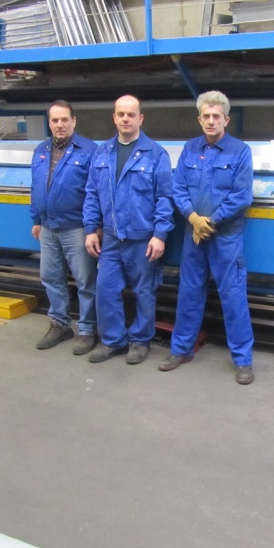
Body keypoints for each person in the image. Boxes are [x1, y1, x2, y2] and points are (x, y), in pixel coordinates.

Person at [158, 91, 255, 384]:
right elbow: (178, 188)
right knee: (189, 292)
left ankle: (243, 360)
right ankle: (181, 350)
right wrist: (192, 218)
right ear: (199, 119)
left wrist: (210, 222)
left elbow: (242, 195)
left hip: (225, 237)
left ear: (226, 119)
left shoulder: (240, 151)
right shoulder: (190, 148)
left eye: (216, 116)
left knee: (233, 296)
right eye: (206, 116)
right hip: (194, 235)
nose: (211, 121)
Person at [83, 95, 174, 365]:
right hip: (111, 237)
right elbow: (92, 193)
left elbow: (164, 198)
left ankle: (140, 341)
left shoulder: (156, 154)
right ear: (114, 118)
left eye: (131, 114)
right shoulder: (102, 152)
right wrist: (91, 229)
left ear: (140, 118)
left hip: (142, 238)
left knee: (144, 291)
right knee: (105, 289)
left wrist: (159, 235)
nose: (125, 119)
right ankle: (113, 341)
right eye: (121, 114)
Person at [30, 100, 99, 354]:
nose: (60, 124)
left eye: (64, 120)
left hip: (77, 227)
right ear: (49, 123)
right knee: (50, 277)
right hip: (48, 227)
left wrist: (93, 228)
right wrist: (36, 219)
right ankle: (59, 324)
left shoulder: (89, 151)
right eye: (55, 120)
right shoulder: (40, 150)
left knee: (85, 280)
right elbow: (36, 186)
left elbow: (96, 193)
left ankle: (88, 330)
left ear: (74, 121)